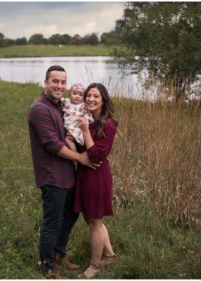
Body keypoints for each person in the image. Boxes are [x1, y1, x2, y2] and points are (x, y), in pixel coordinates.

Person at [27, 65, 97, 279]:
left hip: (67, 173)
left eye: (62, 82)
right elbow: (52, 145)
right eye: (55, 81)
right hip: (52, 175)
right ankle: (48, 267)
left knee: (71, 214)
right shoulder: (40, 109)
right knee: (52, 221)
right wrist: (80, 158)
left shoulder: (60, 105)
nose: (59, 85)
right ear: (46, 82)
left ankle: (58, 254)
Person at [73, 83, 120, 278]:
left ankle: (95, 265)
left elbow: (96, 156)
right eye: (88, 95)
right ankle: (109, 254)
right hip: (84, 175)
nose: (91, 99)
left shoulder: (107, 125)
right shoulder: (89, 119)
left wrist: (84, 131)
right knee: (91, 219)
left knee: (95, 223)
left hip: (97, 176)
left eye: (96, 96)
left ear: (103, 101)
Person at [63, 83, 93, 149]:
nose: (77, 96)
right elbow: (57, 101)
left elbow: (88, 115)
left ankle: (75, 155)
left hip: (76, 127)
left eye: (80, 95)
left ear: (84, 98)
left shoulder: (83, 105)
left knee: (69, 141)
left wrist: (86, 119)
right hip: (66, 126)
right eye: (74, 93)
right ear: (69, 95)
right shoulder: (66, 101)